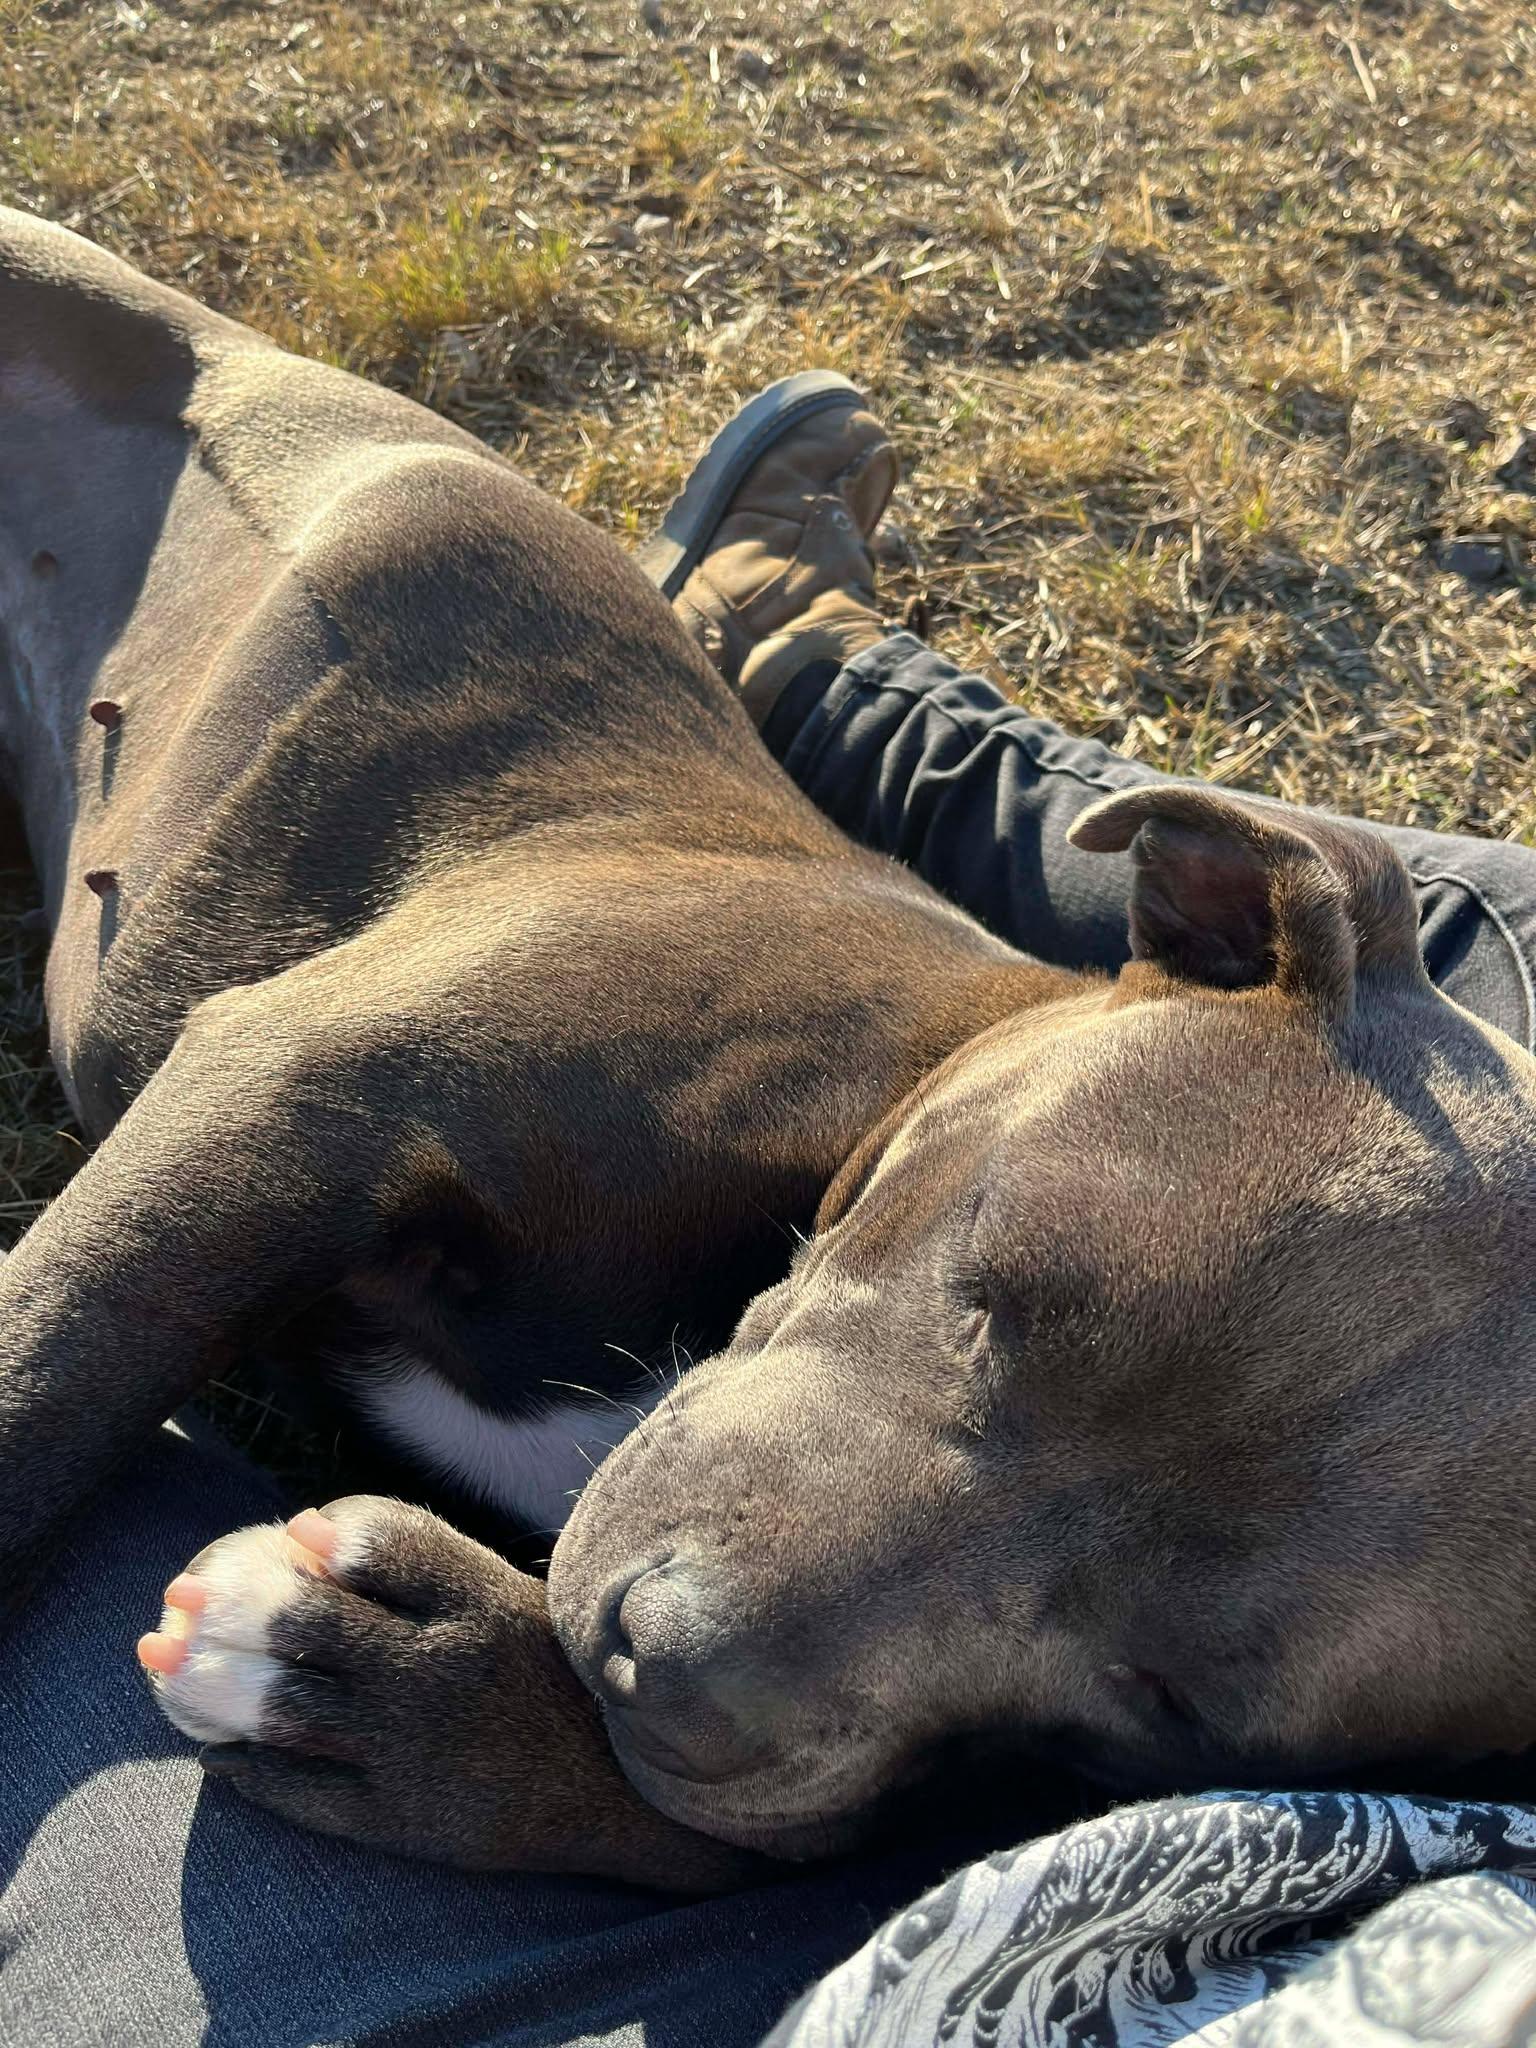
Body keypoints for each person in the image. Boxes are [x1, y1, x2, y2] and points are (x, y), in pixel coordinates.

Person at [3, 384, 1532, 2048]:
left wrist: (618, 1804)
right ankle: (816, 669)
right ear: (1220, 917)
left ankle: (813, 671)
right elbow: (296, 1086)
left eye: (1169, 1687)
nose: (707, 1639)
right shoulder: (712, 1058)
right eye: (994, 1302)